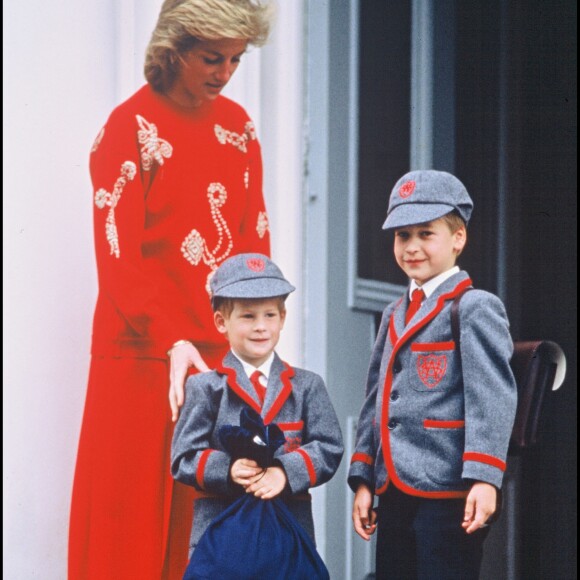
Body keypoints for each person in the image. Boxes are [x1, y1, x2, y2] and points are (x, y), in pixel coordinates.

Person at [68, 2, 274, 579]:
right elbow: (118, 262)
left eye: (236, 58)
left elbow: (252, 244)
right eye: (212, 57)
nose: (226, 72)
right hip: (139, 356)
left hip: (214, 362)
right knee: (126, 525)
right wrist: (172, 340)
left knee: (207, 533)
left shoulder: (240, 129)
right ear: (174, 46)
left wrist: (254, 342)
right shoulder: (128, 128)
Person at [349, 170, 518, 579]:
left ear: (458, 238)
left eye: (426, 234)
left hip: (448, 489)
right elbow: (377, 398)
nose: (412, 247)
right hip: (394, 489)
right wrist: (365, 478)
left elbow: (492, 398)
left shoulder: (474, 306)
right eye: (402, 236)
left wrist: (484, 478)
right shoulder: (393, 313)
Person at [171, 253, 344, 559]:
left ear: (283, 318)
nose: (261, 327)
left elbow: (329, 447)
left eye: (270, 315)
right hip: (221, 540)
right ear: (221, 322)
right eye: (248, 316)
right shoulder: (205, 387)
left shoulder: (307, 386)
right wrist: (227, 468)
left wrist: (284, 472)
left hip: (288, 538)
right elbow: (183, 457)